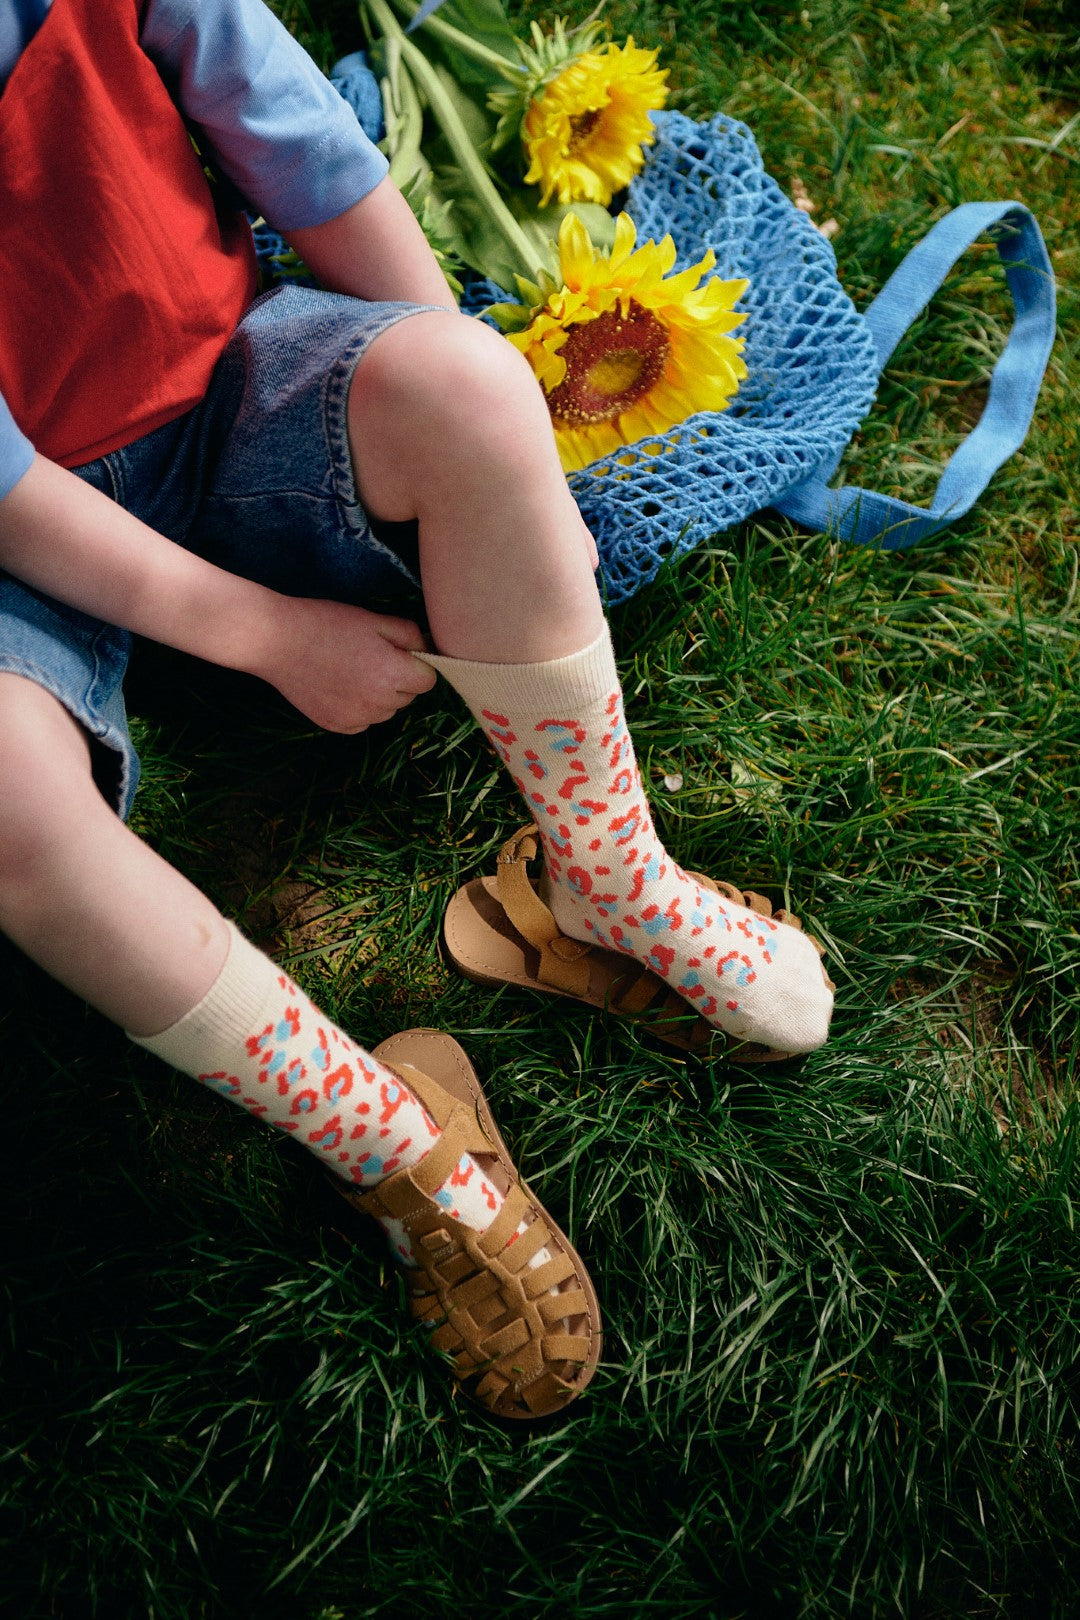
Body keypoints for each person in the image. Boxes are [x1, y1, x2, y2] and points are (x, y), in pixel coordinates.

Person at [0, 0, 833, 1420]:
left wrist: (489, 437)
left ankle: (611, 880)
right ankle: (388, 1145)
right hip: (24, 535)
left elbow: (306, 149)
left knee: (470, 385)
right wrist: (264, 632)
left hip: (223, 377)